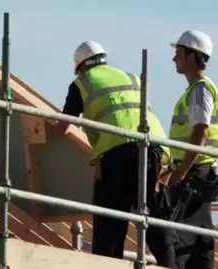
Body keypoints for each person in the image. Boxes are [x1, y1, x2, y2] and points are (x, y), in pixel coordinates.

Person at [54, 40, 172, 264]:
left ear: (81, 68)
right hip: (154, 151)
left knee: (110, 225)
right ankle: (171, 265)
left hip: (118, 155)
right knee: (156, 221)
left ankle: (107, 265)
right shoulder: (131, 78)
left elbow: (63, 125)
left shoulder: (83, 83)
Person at [166, 29, 218, 269]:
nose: (174, 59)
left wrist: (180, 172)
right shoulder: (199, 89)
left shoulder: (200, 89)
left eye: (178, 53)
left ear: (192, 56)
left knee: (179, 238)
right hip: (200, 170)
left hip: (193, 172)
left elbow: (200, 131)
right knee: (200, 237)